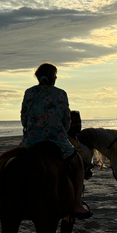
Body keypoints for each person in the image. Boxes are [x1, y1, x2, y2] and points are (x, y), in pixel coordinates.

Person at [21, 63, 91, 219]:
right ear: (54, 78)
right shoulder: (60, 94)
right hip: (57, 142)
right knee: (79, 165)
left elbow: (24, 120)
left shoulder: (29, 93)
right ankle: (77, 204)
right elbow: (66, 122)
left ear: (38, 77)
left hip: (31, 142)